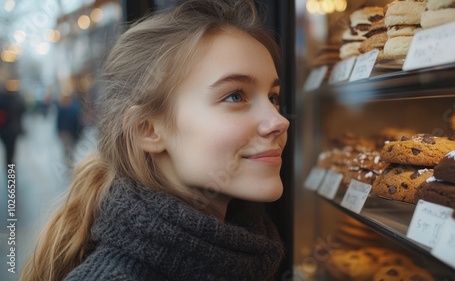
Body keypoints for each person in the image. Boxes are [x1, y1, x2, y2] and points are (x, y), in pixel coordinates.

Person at [20, 0, 290, 280]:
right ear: (147, 130)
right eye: (235, 96)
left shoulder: (250, 247)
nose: (279, 122)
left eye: (273, 98)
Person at [0, 88, 26, 166]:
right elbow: (23, 110)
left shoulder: (2, 99)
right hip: (13, 131)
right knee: (11, 155)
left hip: (3, 130)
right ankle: (11, 176)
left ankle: (9, 172)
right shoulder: (17, 100)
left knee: (8, 153)